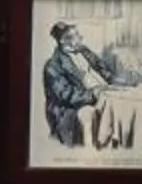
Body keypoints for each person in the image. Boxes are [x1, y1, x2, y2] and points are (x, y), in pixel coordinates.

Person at [43, 21, 112, 149]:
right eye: (75, 35)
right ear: (63, 40)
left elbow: (102, 68)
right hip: (72, 108)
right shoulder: (53, 66)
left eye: (78, 34)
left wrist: (107, 80)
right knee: (95, 111)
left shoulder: (84, 51)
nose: (80, 37)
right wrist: (92, 94)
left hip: (103, 92)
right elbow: (67, 95)